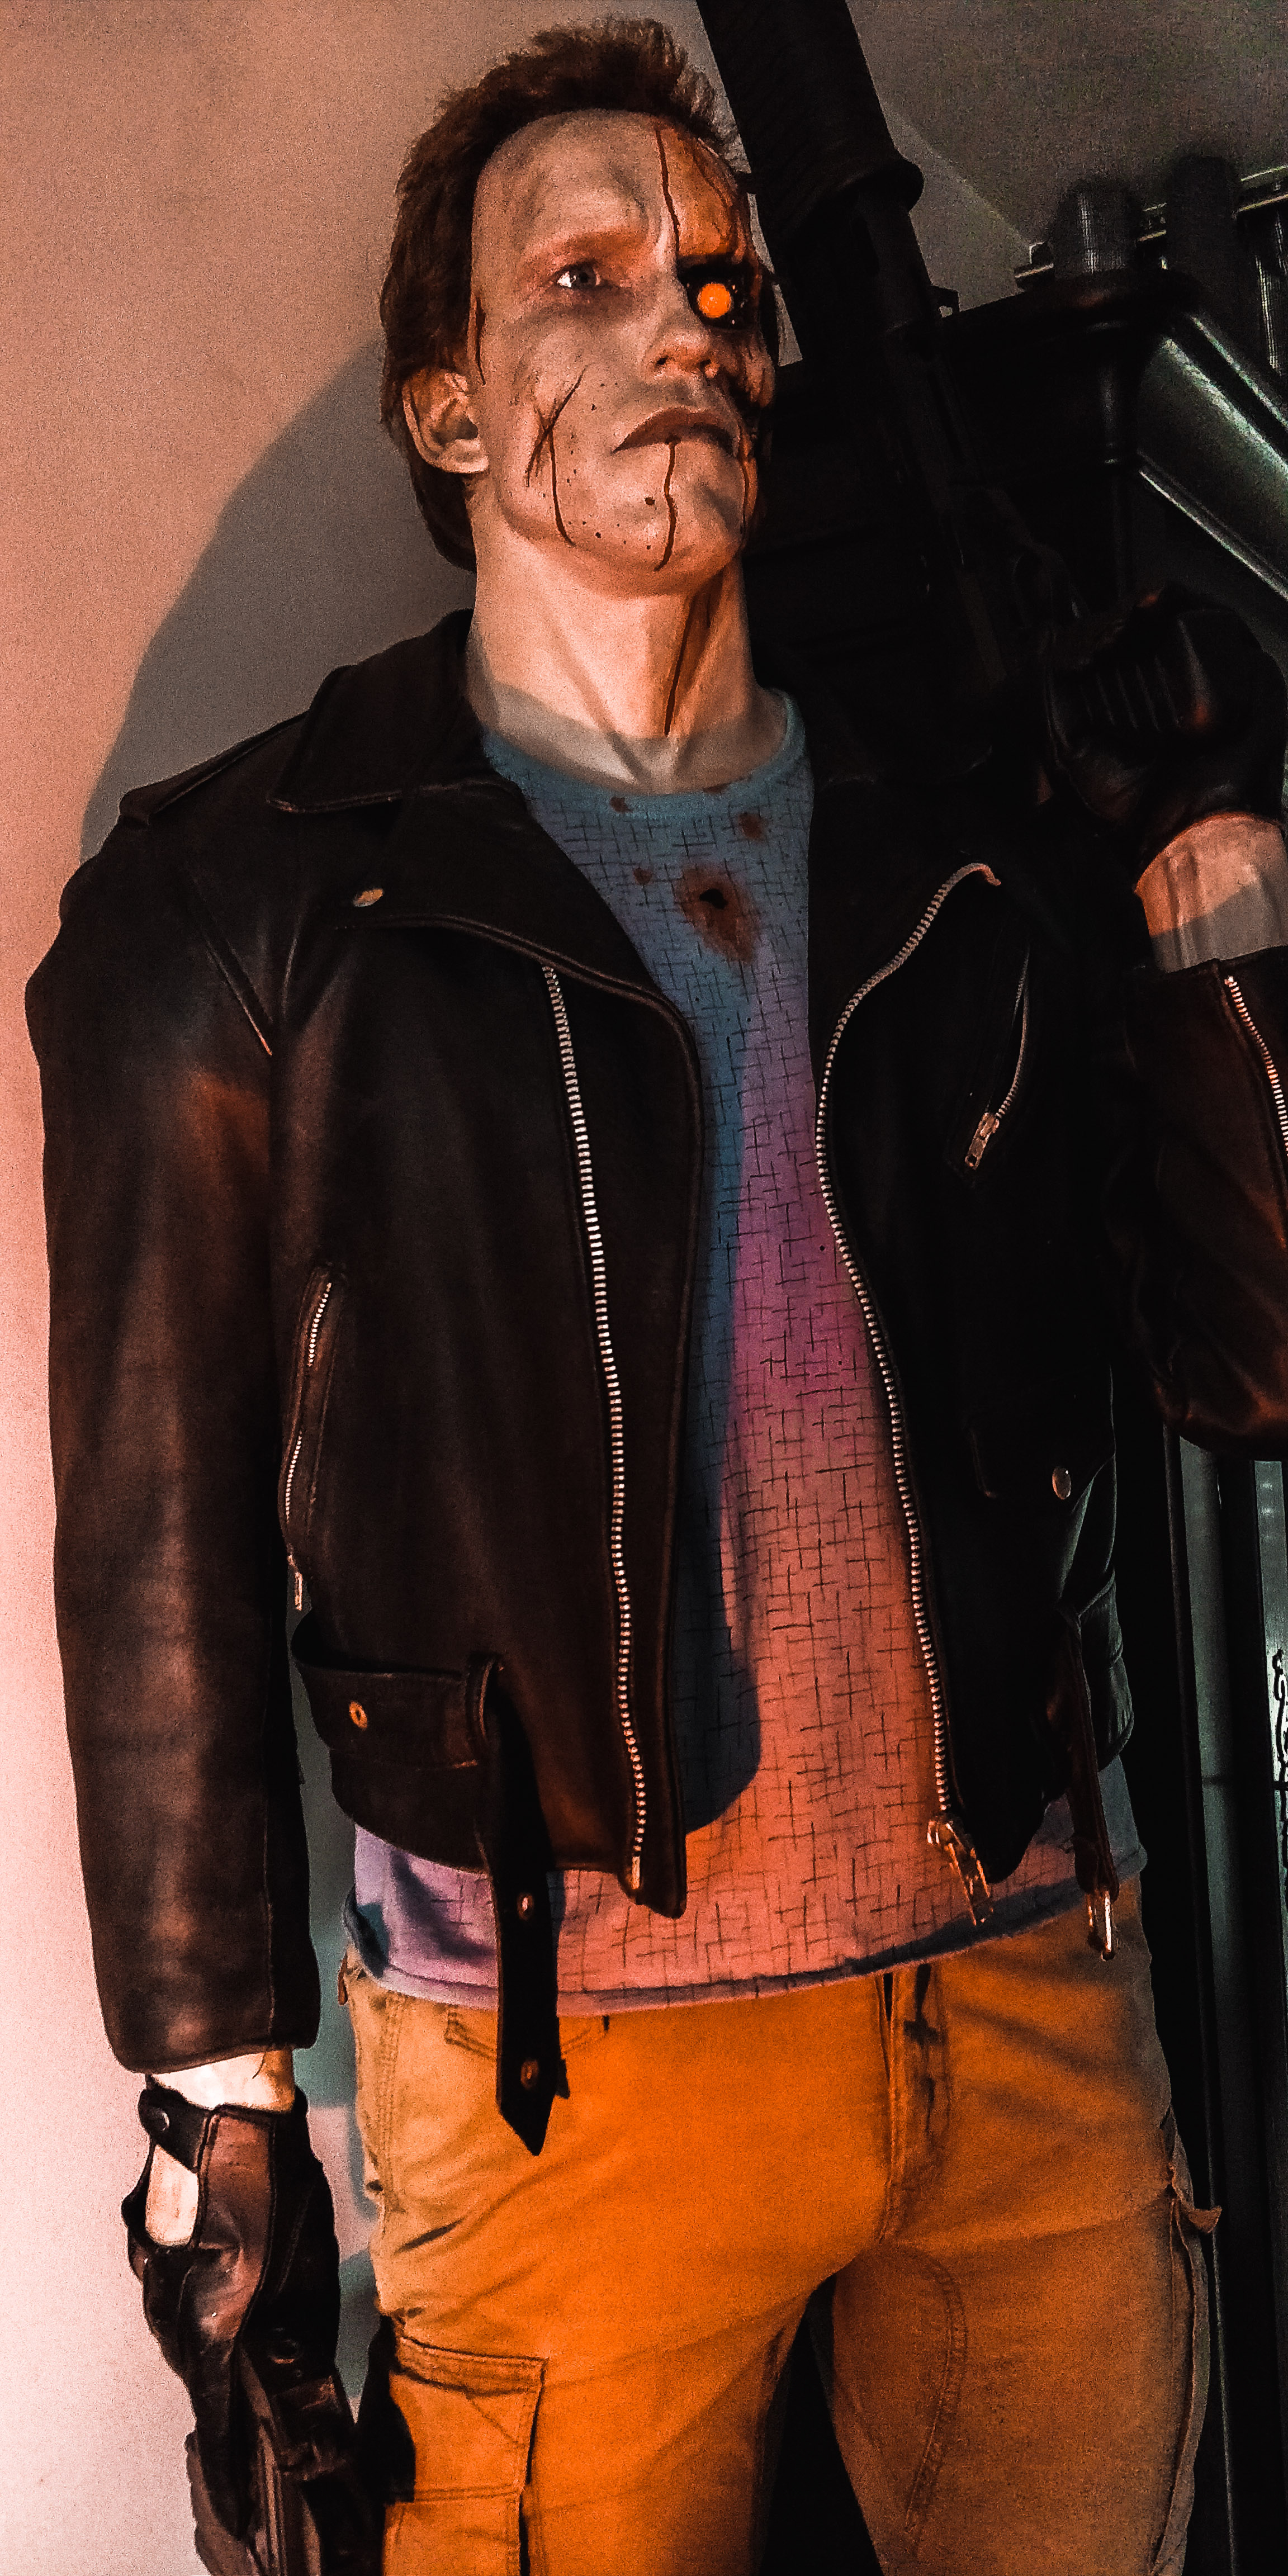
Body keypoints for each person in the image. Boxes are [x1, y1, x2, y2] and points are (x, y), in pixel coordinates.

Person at [27, 19, 1288, 2575]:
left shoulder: (963, 859)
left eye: (721, 281)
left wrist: (1213, 893)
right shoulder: (249, 906)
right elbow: (158, 1545)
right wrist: (218, 2100)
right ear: (453, 400)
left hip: (1029, 2009)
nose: (686, 322)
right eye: (585, 278)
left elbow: (1244, 1366)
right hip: (561, 2082)